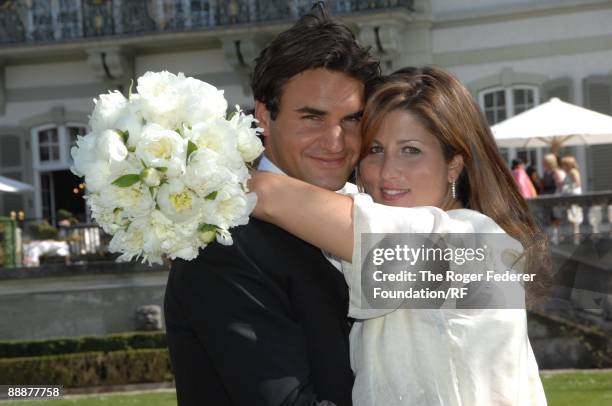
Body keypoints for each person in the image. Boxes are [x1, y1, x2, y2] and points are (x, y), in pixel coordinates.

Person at [250, 67, 549, 405]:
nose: (387, 173)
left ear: (454, 164)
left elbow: (272, 195)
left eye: (411, 151)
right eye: (375, 150)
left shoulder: (474, 247)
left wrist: (198, 181)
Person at [163, 3, 380, 405]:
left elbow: (498, 275)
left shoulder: (370, 210)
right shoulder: (223, 242)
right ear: (264, 114)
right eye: (312, 118)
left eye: (352, 119)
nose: (336, 141)